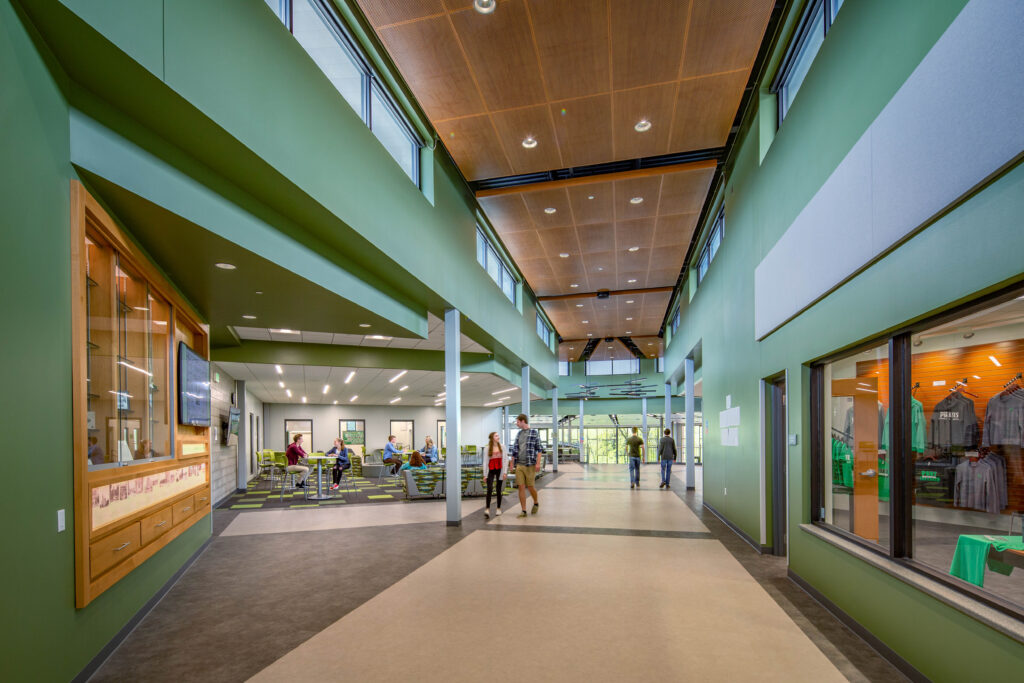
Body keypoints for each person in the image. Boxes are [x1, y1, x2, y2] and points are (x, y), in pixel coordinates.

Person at [508, 413, 544, 518]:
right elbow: (515, 450)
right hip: (519, 464)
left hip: (530, 464)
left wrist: (538, 463)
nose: (517, 424)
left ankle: (536, 502)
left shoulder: (534, 433)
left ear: (523, 421)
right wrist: (512, 463)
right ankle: (523, 510)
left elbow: (539, 449)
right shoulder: (519, 434)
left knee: (531, 486)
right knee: (521, 487)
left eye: (518, 422)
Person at [483, 431, 509, 519]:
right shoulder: (487, 448)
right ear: (492, 438)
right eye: (496, 436)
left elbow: (505, 460)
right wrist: (485, 475)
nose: (498, 437)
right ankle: (487, 509)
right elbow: (485, 462)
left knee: (498, 489)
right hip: (491, 470)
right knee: (489, 489)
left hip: (500, 470)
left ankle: (498, 508)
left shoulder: (502, 447)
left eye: (498, 435)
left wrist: (505, 472)